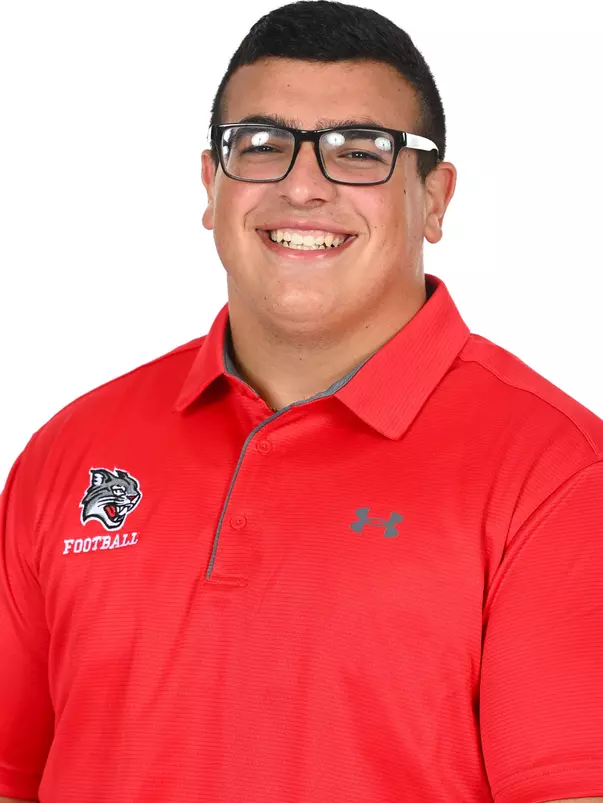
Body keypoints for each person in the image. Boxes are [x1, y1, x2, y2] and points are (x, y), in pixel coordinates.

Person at [1, 1, 602, 801]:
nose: (303, 185)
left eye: (360, 152)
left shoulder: (558, 472)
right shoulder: (69, 453)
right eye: (262, 146)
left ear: (434, 199)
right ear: (212, 188)